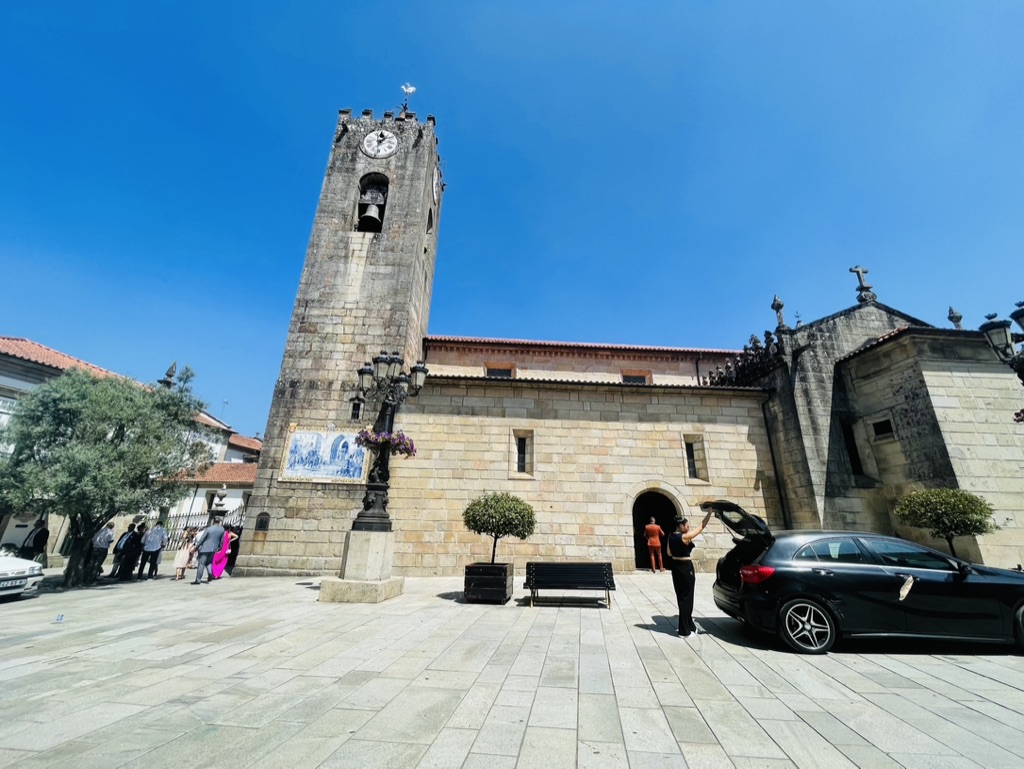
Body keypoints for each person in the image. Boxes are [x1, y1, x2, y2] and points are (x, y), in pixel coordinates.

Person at [666, 510, 713, 637]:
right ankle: (684, 630)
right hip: (686, 568)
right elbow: (701, 527)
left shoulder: (670, 536)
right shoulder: (684, 537)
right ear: (681, 526)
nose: (688, 528)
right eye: (686, 526)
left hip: (675, 568)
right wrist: (709, 513)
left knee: (682, 597)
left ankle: (689, 624)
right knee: (687, 598)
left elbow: (669, 553)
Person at [191, 517, 226, 585]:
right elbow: (222, 539)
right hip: (214, 549)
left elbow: (202, 539)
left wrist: (196, 547)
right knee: (209, 562)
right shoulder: (222, 529)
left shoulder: (209, 529)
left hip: (205, 548)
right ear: (219, 522)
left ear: (213, 521)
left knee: (201, 563)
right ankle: (210, 573)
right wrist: (220, 547)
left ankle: (198, 580)